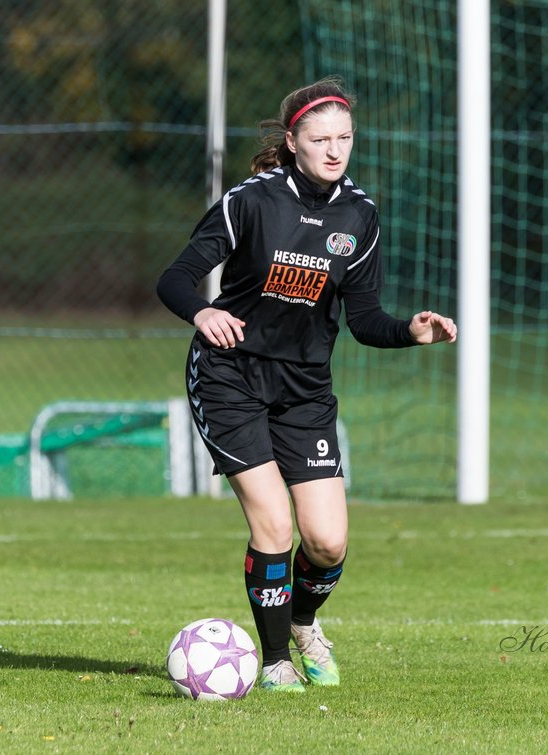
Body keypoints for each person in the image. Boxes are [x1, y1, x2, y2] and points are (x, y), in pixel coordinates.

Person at [156, 77, 457, 692]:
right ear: (292, 140)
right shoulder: (251, 202)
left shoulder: (360, 215)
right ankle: (273, 664)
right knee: (273, 525)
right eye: (320, 138)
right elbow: (177, 277)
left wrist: (411, 331)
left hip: (304, 390)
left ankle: (302, 622)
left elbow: (366, 321)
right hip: (230, 376)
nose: (334, 149)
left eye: (344, 137)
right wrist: (202, 312)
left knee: (326, 541)